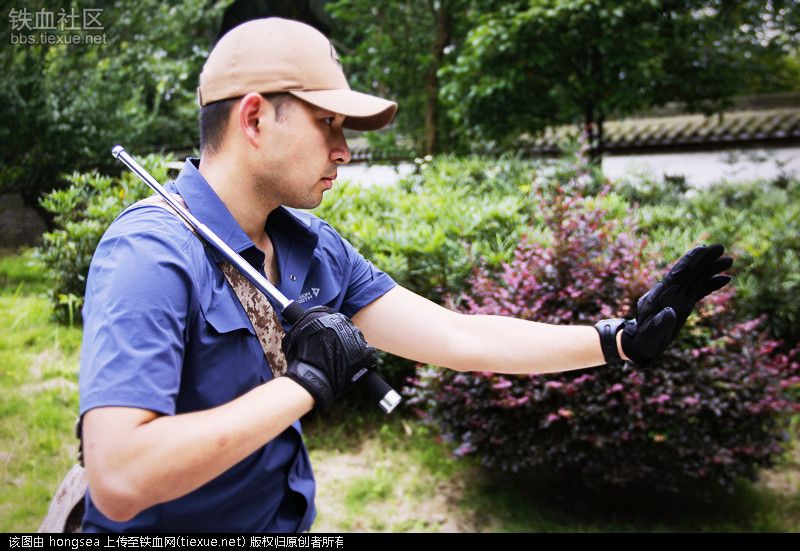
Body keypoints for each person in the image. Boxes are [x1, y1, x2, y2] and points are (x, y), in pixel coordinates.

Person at [78, 17, 733, 532]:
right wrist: (304, 384)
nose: (345, 149)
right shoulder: (151, 253)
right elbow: (120, 473)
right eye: (328, 122)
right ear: (254, 117)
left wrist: (616, 339)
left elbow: (459, 338)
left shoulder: (310, 248)